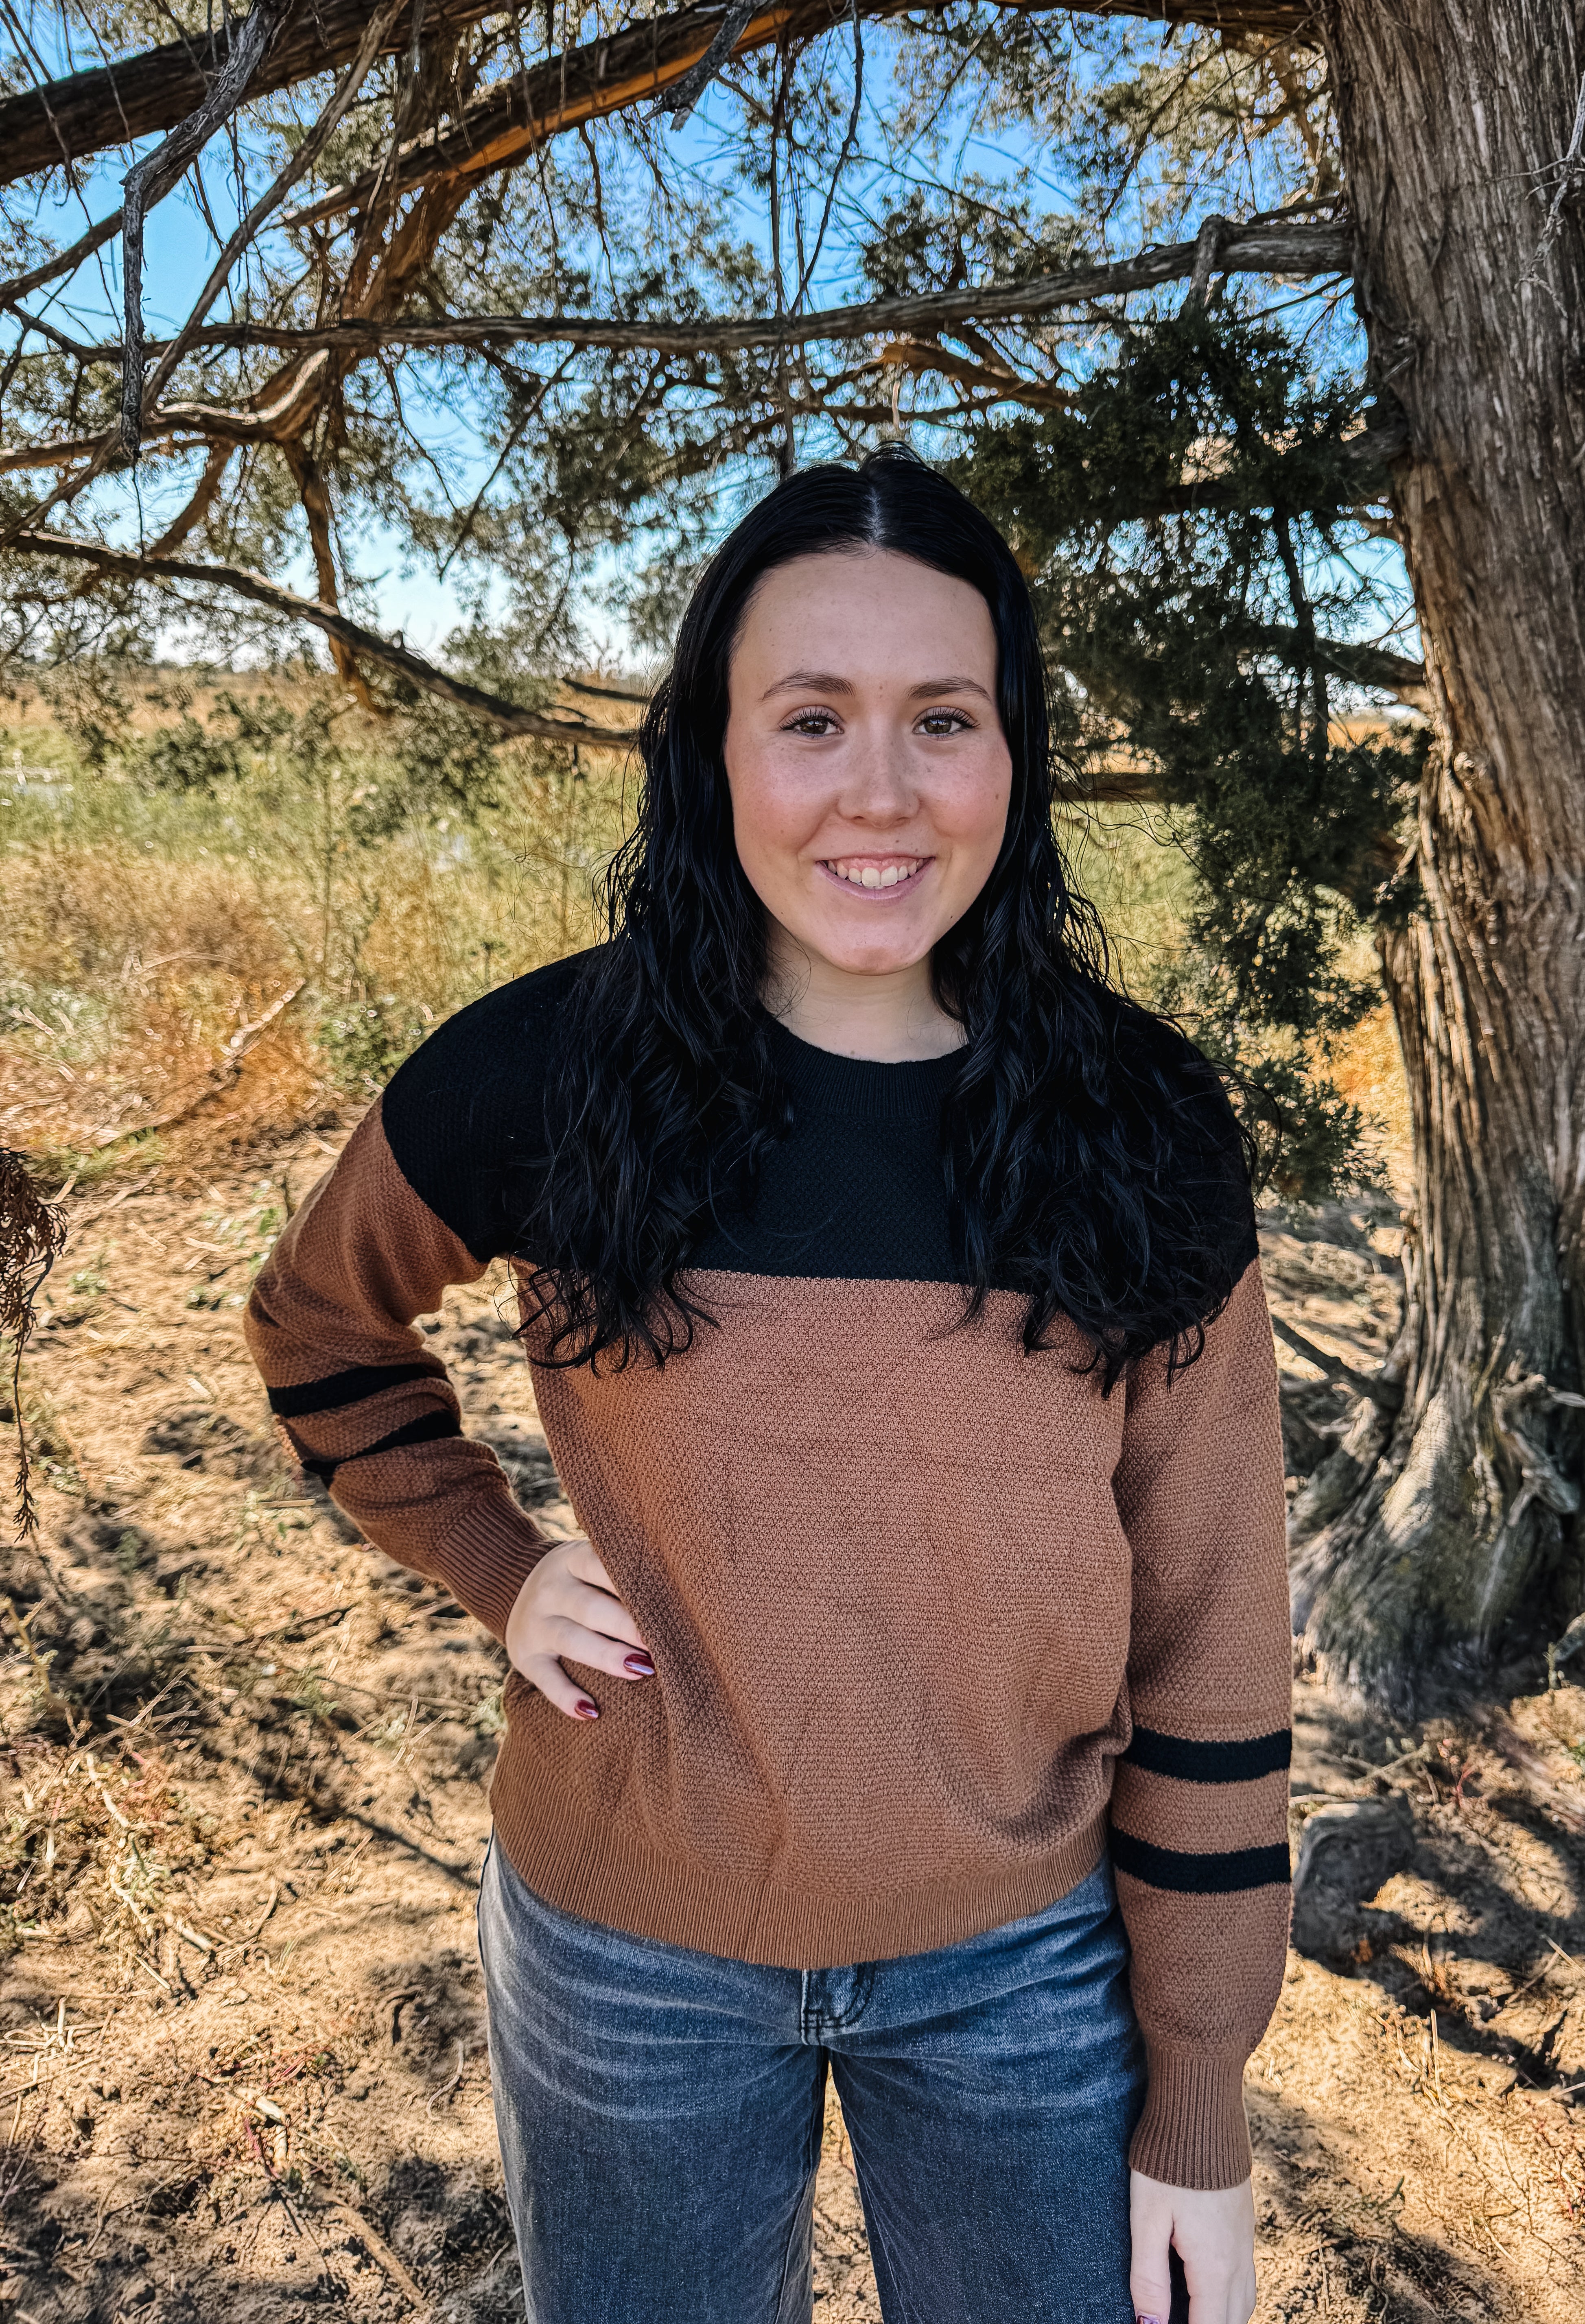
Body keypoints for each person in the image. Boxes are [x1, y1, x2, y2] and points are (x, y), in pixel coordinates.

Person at [244, 446, 1291, 2324]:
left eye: (942, 720)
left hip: (1024, 1968)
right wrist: (493, 1564)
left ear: (1015, 753)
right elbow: (321, 1328)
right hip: (625, 1958)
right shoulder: (553, 1075)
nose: (880, 794)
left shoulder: (1142, 1130)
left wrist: (1197, 2101)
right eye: (812, 719)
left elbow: (1215, 1636)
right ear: (713, 748)